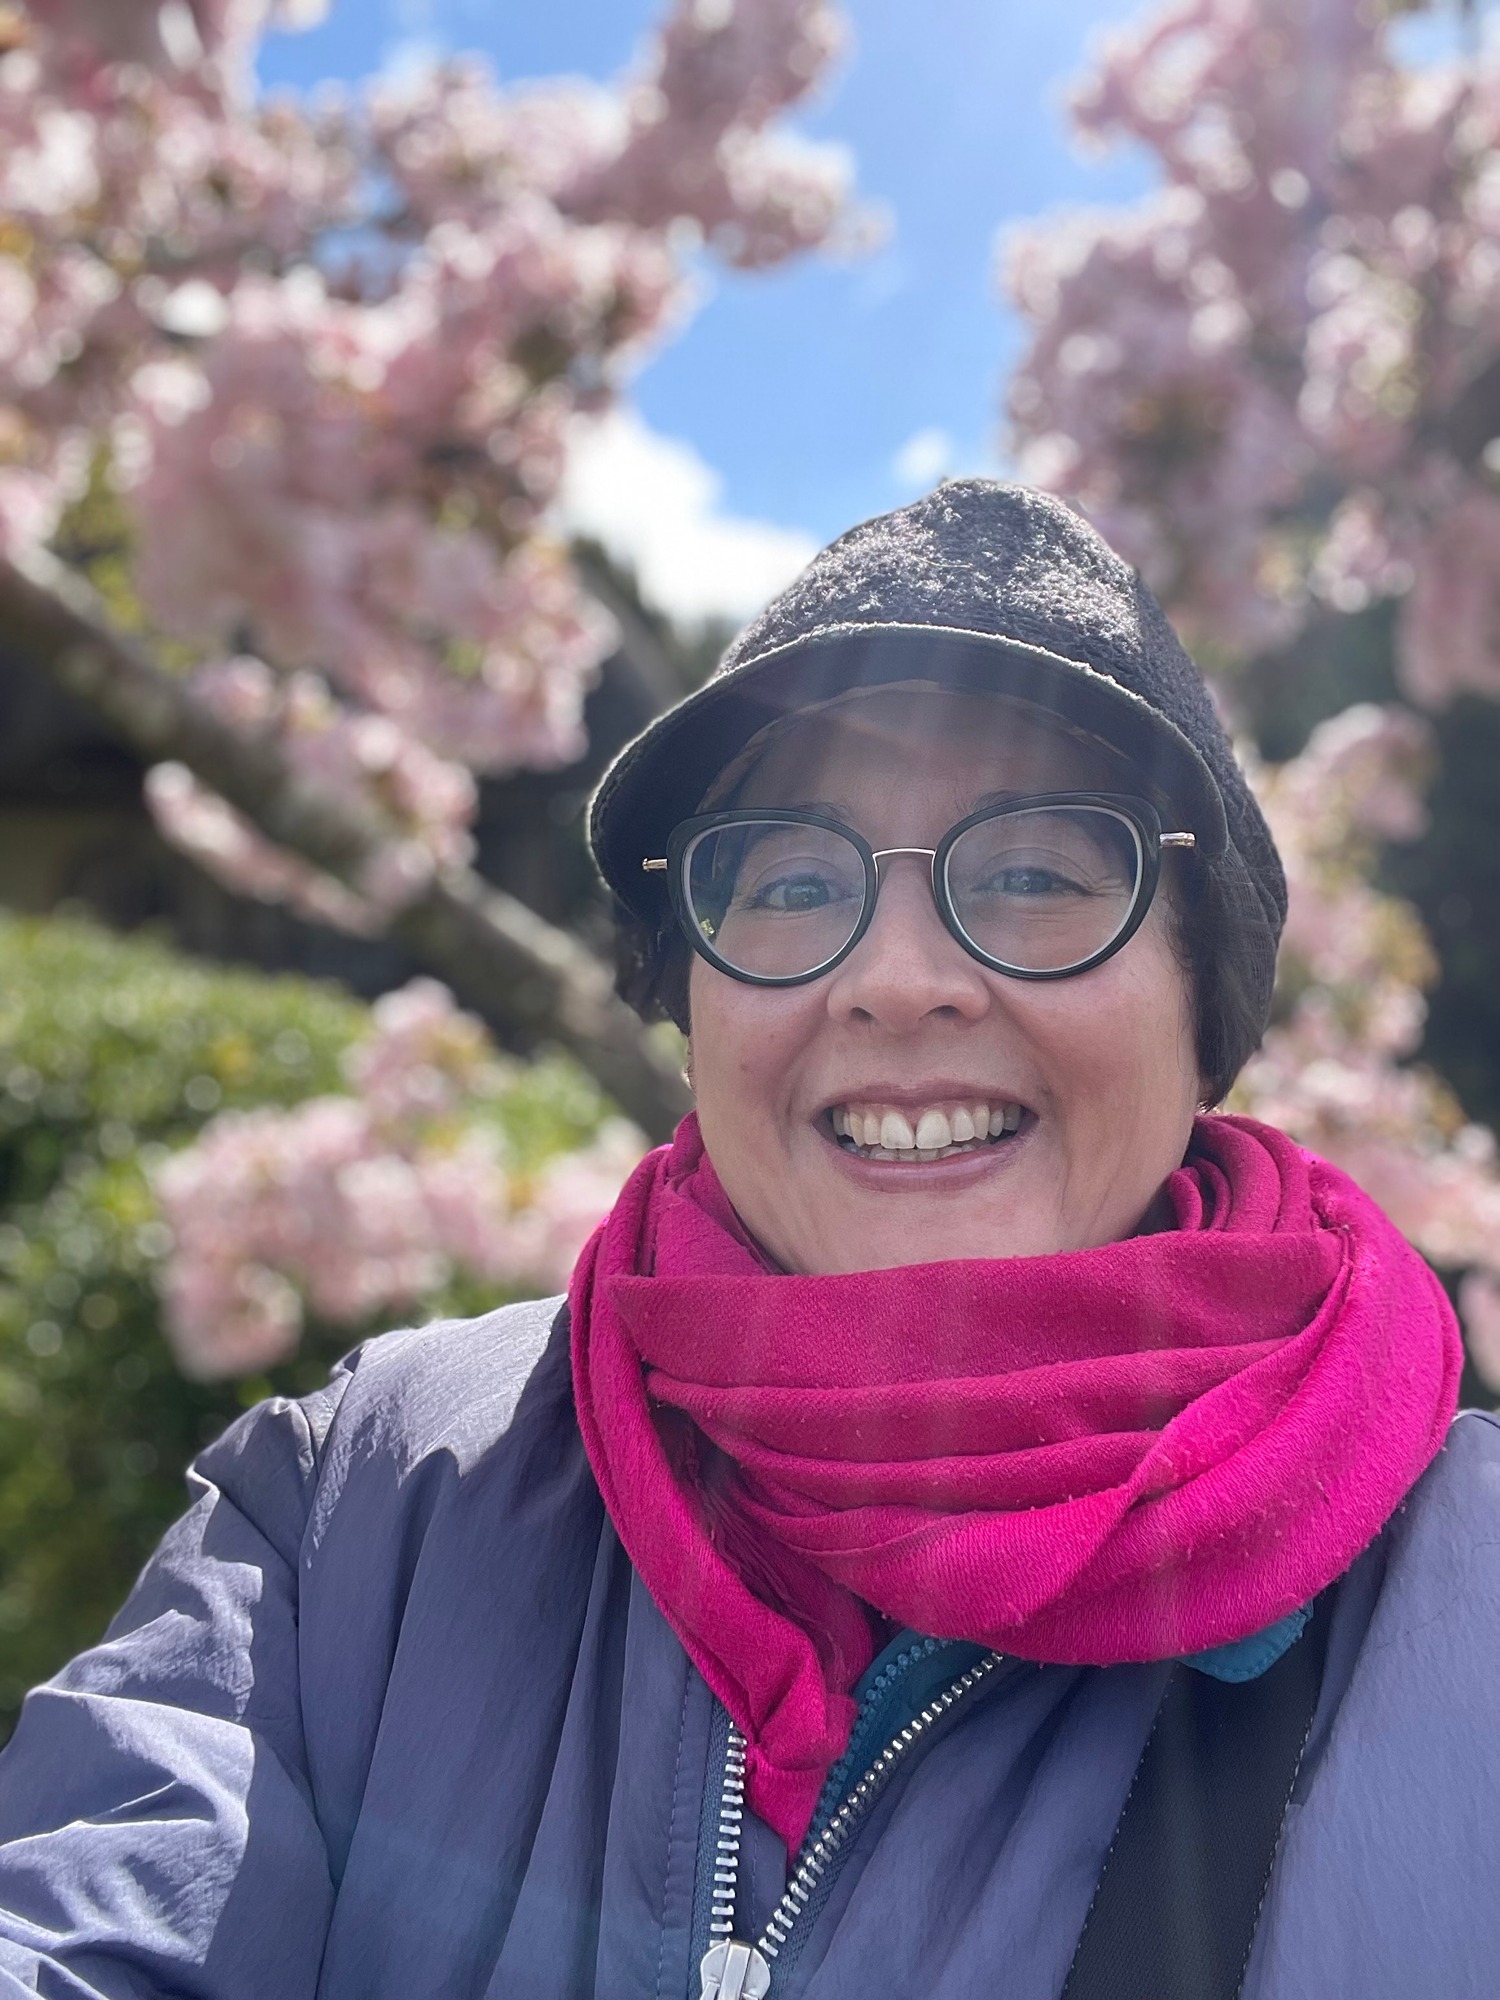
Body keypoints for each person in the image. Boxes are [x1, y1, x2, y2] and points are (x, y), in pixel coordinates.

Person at [0, 481, 1494, 2000]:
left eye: (1038, 873)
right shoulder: (357, 1510)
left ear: (1207, 1001)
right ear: (692, 997)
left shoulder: (1468, 1607)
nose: (897, 981)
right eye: (787, 883)